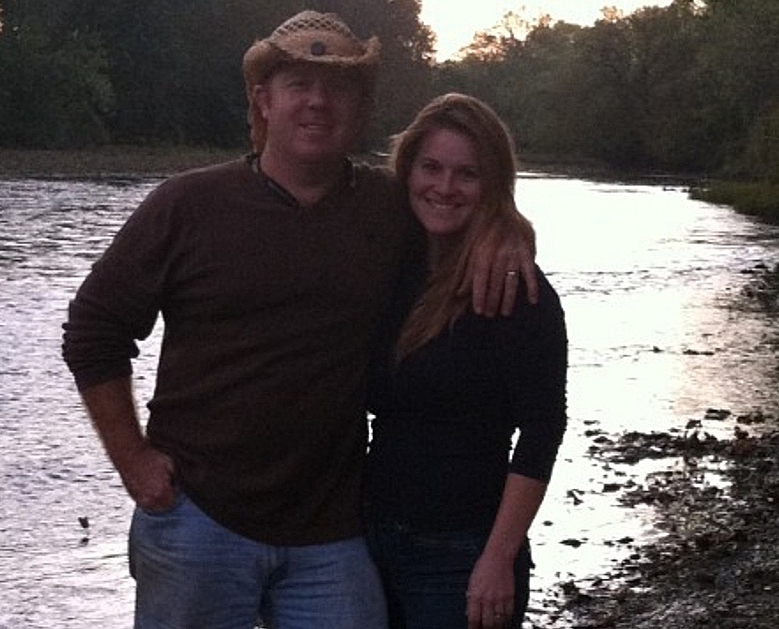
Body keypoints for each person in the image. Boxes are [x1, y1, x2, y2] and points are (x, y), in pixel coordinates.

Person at [61, 12, 538, 629]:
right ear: (264, 99)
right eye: (298, 85)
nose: (318, 102)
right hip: (197, 519)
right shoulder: (188, 205)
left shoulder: (390, 210)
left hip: (332, 536)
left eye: (338, 86)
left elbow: (466, 207)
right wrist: (132, 460)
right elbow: (93, 332)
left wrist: (510, 230)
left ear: (361, 105)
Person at [363, 93, 568, 629]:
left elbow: (543, 430)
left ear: (493, 184)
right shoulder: (394, 264)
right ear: (407, 169)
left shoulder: (515, 289)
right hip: (368, 540)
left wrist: (498, 557)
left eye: (467, 175)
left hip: (461, 554)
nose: (445, 188)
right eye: (431, 167)